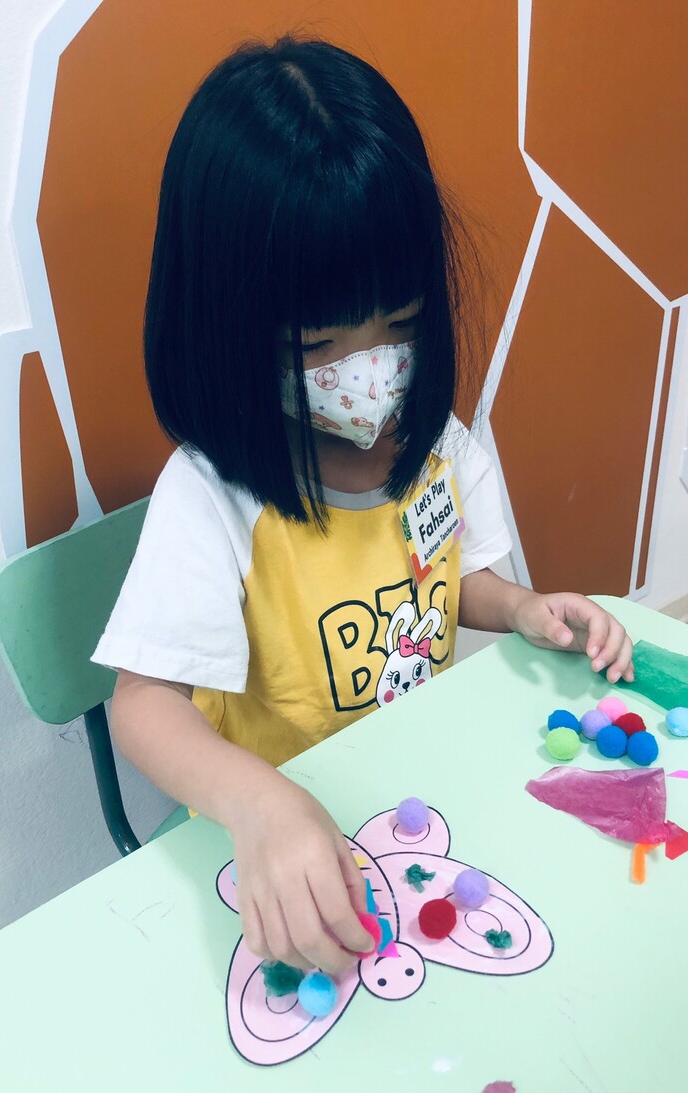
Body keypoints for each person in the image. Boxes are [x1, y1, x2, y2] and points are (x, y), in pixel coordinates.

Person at [93, 36, 633, 976]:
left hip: (415, 808)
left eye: (403, 324)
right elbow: (141, 704)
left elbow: (455, 577)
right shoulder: (212, 497)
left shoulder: (438, 443)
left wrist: (520, 607)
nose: (370, 368)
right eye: (320, 343)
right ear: (227, 327)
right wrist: (258, 803)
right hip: (277, 852)